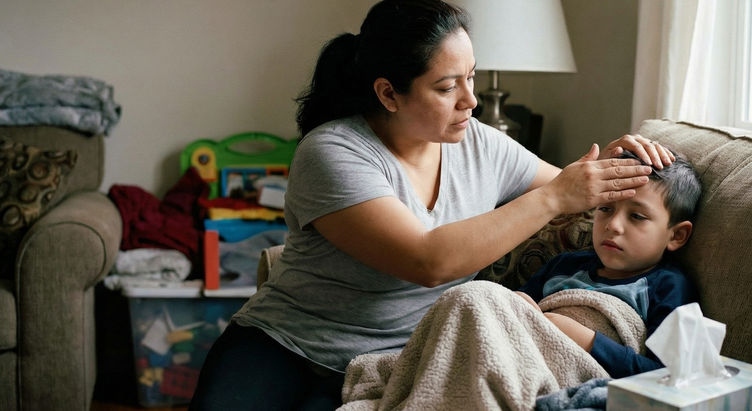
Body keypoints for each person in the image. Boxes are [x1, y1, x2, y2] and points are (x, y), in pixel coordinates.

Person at [190, 0, 673, 409]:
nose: (471, 101)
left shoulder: (482, 144)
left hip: (403, 358)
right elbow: (428, 261)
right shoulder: (332, 152)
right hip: (289, 349)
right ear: (388, 93)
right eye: (447, 87)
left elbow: (573, 194)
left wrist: (613, 165)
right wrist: (555, 195)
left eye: (472, 78)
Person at [515, 149, 702, 379]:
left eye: (637, 216)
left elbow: (668, 377)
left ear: (676, 235)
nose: (613, 225)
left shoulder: (669, 287)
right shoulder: (563, 266)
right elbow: (510, 313)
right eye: (605, 208)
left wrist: (584, 340)